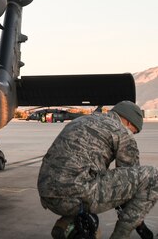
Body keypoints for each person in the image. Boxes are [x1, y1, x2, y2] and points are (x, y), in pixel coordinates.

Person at [37, 100, 158, 238]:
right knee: (153, 177)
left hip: (47, 194)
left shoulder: (82, 120)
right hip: (76, 195)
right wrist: (138, 223)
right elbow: (133, 185)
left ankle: (67, 225)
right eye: (134, 131)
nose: (132, 134)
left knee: (90, 179)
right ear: (129, 122)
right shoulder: (122, 131)